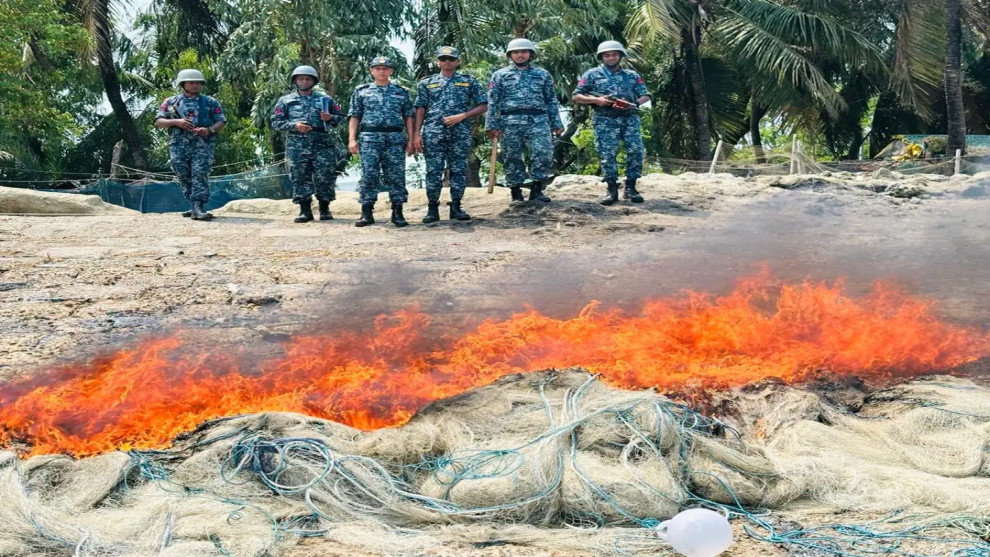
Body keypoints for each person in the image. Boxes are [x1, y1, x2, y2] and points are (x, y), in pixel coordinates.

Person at [412, 46, 488, 223]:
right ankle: (432, 208)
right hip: (433, 132)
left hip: (460, 132)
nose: (447, 62)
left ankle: (456, 207)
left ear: (457, 61)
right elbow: (420, 108)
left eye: (451, 59)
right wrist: (416, 134)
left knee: (459, 170)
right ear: (437, 61)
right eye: (443, 58)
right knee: (433, 171)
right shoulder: (426, 83)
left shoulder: (469, 82)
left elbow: (484, 104)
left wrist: (463, 116)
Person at [485, 38, 564, 204]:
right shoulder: (500, 75)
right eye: (516, 52)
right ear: (510, 55)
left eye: (523, 52)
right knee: (512, 156)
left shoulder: (543, 75)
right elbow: (493, 101)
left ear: (530, 54)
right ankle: (515, 191)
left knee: (543, 154)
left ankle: (537, 189)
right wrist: (491, 125)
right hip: (510, 120)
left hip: (538, 119)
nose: (520, 55)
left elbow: (551, 100)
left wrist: (557, 122)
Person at [571, 40, 650, 205]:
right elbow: (577, 96)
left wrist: (633, 104)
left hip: (629, 118)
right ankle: (611, 189)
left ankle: (631, 188)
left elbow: (646, 95)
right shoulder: (591, 74)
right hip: (604, 119)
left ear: (620, 55)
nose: (611, 57)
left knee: (635, 151)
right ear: (602, 57)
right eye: (607, 55)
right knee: (607, 154)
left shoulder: (631, 75)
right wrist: (597, 100)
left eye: (614, 54)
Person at [271, 65, 345, 222]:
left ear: (314, 81)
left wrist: (330, 118)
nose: (304, 81)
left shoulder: (325, 99)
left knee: (324, 175)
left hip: (322, 142)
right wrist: (295, 126)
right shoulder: (286, 101)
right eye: (300, 78)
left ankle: (325, 209)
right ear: (295, 81)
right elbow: (276, 122)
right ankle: (305, 211)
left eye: (308, 78)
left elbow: (340, 118)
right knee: (299, 176)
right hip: (297, 144)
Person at [348, 56, 415, 227]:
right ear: (371, 71)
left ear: (391, 71)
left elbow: (408, 116)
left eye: (385, 68)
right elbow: (355, 116)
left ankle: (398, 212)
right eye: (377, 68)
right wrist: (352, 139)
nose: (381, 71)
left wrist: (411, 138)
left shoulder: (401, 92)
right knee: (369, 175)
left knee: (396, 176)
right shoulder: (361, 91)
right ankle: (367, 212)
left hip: (394, 138)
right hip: (369, 138)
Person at [154, 69, 225, 220]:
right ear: (183, 84)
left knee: (199, 173)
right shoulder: (171, 102)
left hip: (202, 145)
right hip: (179, 145)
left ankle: (199, 206)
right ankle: (193, 205)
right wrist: (176, 122)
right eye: (192, 82)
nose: (195, 85)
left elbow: (221, 120)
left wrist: (209, 130)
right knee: (182, 174)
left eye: (198, 82)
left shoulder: (210, 102)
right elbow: (159, 121)